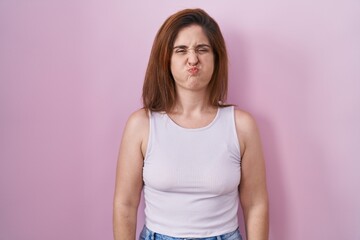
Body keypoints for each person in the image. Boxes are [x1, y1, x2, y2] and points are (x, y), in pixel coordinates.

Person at [113, 8, 269, 240]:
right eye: (181, 50)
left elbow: (256, 204)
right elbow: (125, 204)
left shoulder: (241, 126)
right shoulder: (142, 125)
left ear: (216, 58)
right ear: (166, 59)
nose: (193, 59)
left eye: (202, 49)